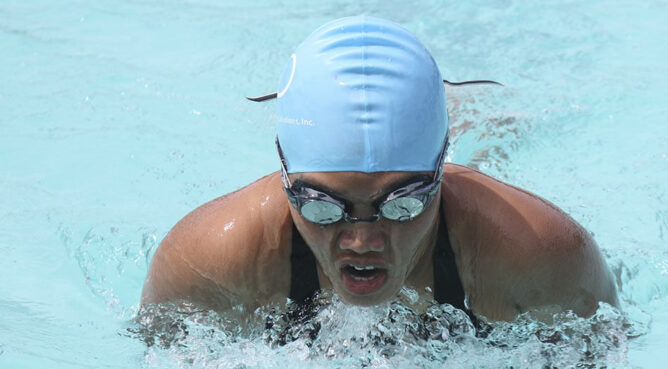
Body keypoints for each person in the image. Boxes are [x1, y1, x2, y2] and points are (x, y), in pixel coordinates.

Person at [141, 15, 618, 322]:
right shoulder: (206, 264)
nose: (362, 240)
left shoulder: (541, 257)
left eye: (402, 202)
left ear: (438, 171)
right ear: (284, 174)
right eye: (322, 206)